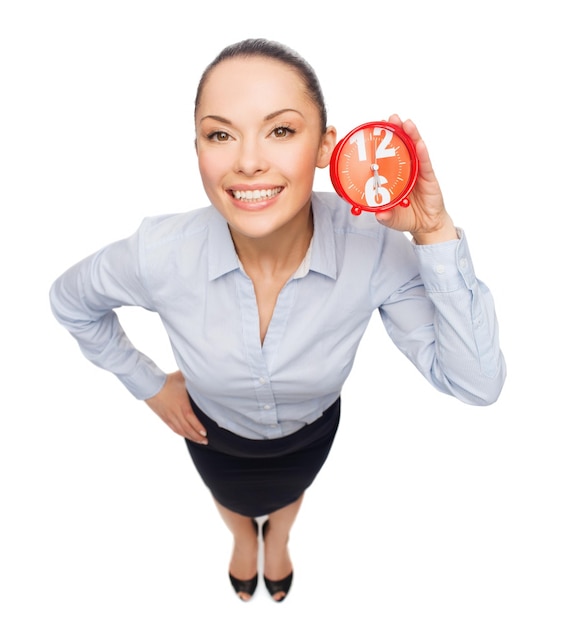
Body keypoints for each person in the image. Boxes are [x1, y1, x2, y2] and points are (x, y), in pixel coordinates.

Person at [49, 38, 506, 602]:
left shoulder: (376, 246)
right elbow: (70, 301)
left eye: (282, 130)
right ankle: (244, 540)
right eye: (220, 134)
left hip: (311, 433)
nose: (247, 161)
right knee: (231, 500)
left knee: (290, 495)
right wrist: (148, 385)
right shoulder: (158, 253)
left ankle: (280, 537)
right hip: (210, 432)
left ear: (326, 147)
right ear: (197, 147)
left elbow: (476, 382)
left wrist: (433, 231)